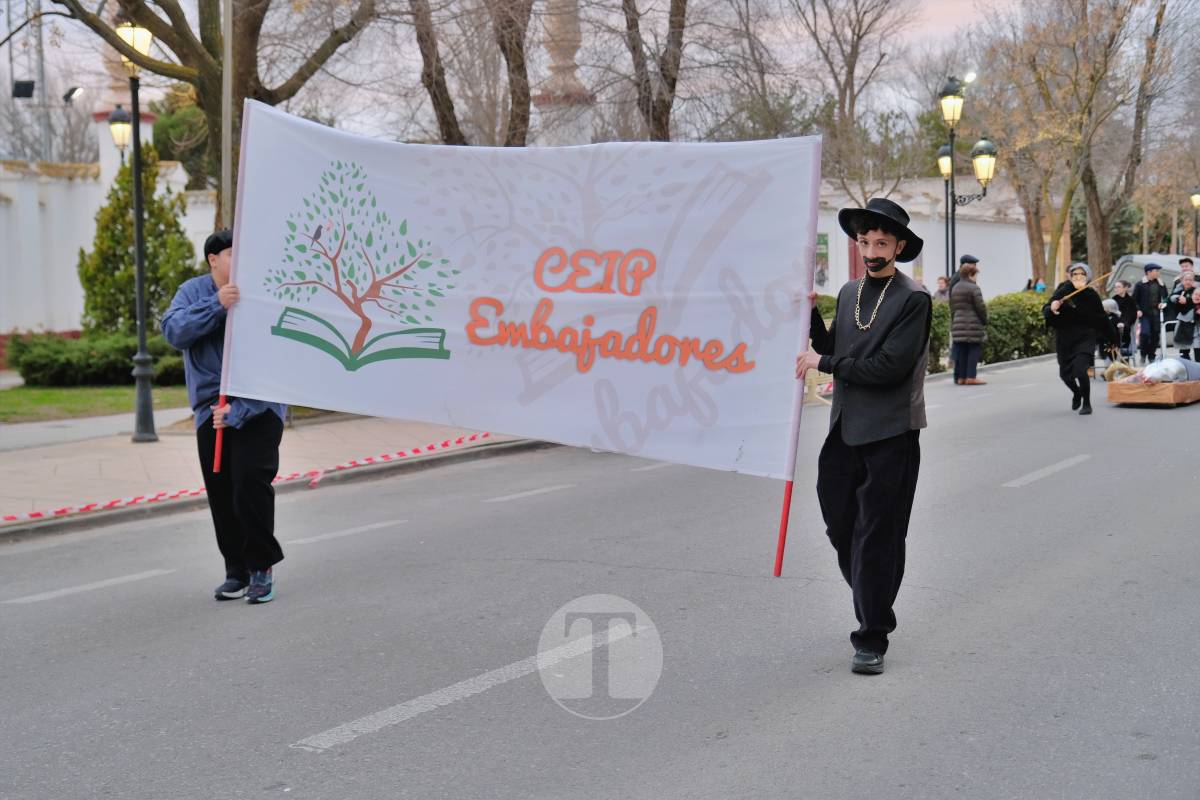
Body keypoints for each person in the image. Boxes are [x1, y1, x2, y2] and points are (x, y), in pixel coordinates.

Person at [795, 197, 932, 676]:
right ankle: (874, 595)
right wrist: (811, 316)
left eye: (881, 242)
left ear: (898, 246)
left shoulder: (913, 299)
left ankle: (871, 634)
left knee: (877, 534)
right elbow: (831, 346)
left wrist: (824, 364)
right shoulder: (851, 292)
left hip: (892, 433)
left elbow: (889, 369)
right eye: (864, 241)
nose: (871, 250)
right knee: (840, 525)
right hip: (844, 429)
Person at [161, 229, 287, 604]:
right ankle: (237, 571)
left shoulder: (262, 293)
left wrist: (241, 409)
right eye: (233, 254)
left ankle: (261, 567)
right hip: (210, 413)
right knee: (222, 492)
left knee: (250, 483)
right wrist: (217, 304)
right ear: (213, 259)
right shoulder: (191, 292)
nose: (240, 261)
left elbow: (277, 356)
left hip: (258, 409)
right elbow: (175, 331)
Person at [1044, 263, 1117, 416]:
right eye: (1075, 274)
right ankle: (1077, 393)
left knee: (1080, 370)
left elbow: (1102, 319)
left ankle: (1087, 403)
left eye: (1081, 274)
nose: (1078, 277)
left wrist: (1113, 340)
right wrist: (1052, 307)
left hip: (1085, 337)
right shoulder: (1063, 290)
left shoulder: (1091, 295)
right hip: (1065, 338)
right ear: (1070, 276)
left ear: (1087, 277)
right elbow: (1047, 308)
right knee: (1065, 375)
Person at [949, 262, 988, 385]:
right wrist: (984, 320)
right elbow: (980, 307)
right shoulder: (974, 288)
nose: (976, 278)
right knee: (973, 349)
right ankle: (971, 376)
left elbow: (952, 307)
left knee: (962, 351)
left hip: (958, 323)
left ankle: (961, 377)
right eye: (976, 275)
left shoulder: (955, 287)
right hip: (972, 324)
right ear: (971, 274)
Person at [1133, 263, 1169, 363]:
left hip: (1157, 314)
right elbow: (1134, 300)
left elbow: (1166, 298)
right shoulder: (1140, 284)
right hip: (1145, 315)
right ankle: (1143, 354)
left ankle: (1151, 356)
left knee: (1155, 336)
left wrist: (1163, 303)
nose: (1158, 273)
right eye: (1156, 271)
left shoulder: (1161, 284)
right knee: (1144, 334)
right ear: (1149, 272)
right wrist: (1137, 309)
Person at [1169, 275, 1199, 360]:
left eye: (1190, 280)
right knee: (1184, 348)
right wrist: (1178, 298)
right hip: (1184, 322)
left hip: (1197, 322)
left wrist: (1189, 300)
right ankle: (1187, 367)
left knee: (1198, 347)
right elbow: (1171, 299)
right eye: (1186, 280)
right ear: (1182, 281)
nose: (1188, 282)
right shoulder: (1178, 291)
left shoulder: (1197, 290)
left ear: (1193, 281)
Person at [1111, 280, 1137, 358]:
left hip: (1126, 323)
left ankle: (1124, 349)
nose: (1116, 289)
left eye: (1119, 287)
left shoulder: (1131, 300)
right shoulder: (1113, 299)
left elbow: (1132, 315)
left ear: (1125, 288)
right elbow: (1112, 313)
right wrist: (1117, 321)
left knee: (1124, 327)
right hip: (1115, 322)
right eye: (1115, 287)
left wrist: (1123, 322)